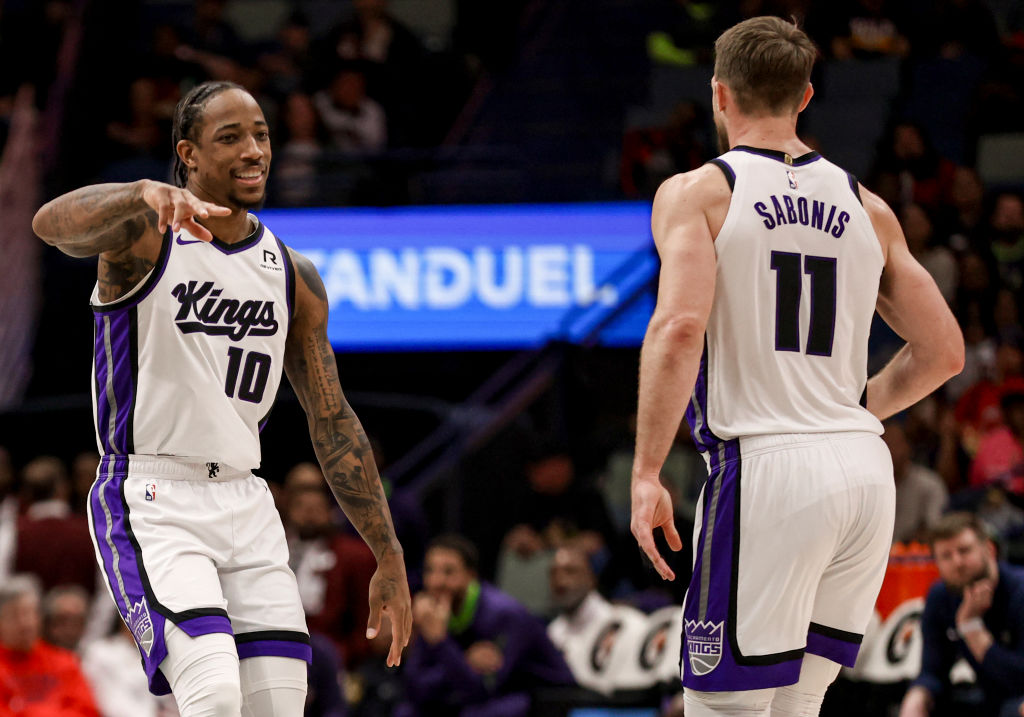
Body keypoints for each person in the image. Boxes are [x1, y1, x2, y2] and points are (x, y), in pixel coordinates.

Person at [31, 80, 412, 716]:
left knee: (280, 704)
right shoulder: (144, 236)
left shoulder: (292, 273)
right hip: (154, 495)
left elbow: (333, 420)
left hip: (248, 501)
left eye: (260, 133)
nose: (253, 149)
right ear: (188, 154)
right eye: (230, 137)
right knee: (211, 693)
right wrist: (137, 193)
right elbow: (50, 225)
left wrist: (389, 550)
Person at [629, 16, 964, 717]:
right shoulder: (869, 207)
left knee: (723, 708)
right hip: (864, 474)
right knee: (797, 704)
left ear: (719, 95)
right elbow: (943, 352)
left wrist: (646, 471)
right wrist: (848, 412)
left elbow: (681, 325)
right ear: (807, 96)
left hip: (769, 470)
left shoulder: (699, 193)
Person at [401, 534, 575, 717]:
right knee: (407, 712)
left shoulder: (504, 614)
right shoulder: (435, 613)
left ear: (471, 575)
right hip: (487, 694)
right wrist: (463, 660)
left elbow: (483, 689)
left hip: (546, 698)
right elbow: (414, 688)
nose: (436, 582)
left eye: (449, 572)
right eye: (430, 571)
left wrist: (440, 642)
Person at [898, 512, 1024, 717]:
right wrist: (917, 696)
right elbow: (933, 669)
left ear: (990, 550)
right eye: (946, 556)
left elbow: (1019, 679)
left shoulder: (1019, 591)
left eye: (964, 551)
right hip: (989, 698)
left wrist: (971, 627)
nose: (957, 562)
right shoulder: (941, 596)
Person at [0, 574, 100, 716]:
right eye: (14, 615)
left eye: (28, 613)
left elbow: (87, 710)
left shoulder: (65, 662)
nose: (25, 623)